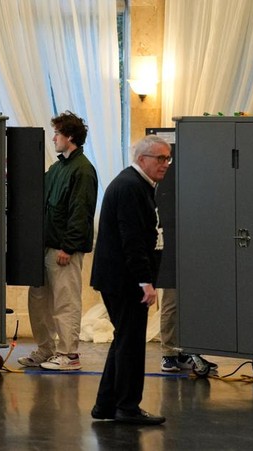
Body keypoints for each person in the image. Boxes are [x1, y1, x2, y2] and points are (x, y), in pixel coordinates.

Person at [90, 135, 171, 425]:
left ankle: (106, 405)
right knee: (131, 343)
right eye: (160, 158)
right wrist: (144, 282)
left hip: (121, 278)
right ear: (142, 159)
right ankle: (127, 407)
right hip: (124, 280)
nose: (165, 164)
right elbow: (132, 239)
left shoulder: (138, 185)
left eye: (168, 158)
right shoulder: (130, 187)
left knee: (125, 339)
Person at [18, 111, 98, 371]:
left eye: (57, 134)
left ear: (70, 136)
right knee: (38, 300)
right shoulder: (57, 168)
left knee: (65, 302)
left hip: (64, 250)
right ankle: (45, 349)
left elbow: (81, 211)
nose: (53, 139)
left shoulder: (83, 170)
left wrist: (69, 246)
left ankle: (68, 355)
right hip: (45, 247)